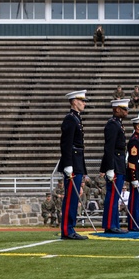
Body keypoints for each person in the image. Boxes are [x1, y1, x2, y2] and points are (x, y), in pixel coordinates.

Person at [58, 90, 88, 240]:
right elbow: (66, 144)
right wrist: (68, 164)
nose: (84, 103)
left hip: (77, 163)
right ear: (74, 102)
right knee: (70, 197)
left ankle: (70, 227)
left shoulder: (76, 119)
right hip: (72, 163)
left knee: (74, 198)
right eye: (82, 101)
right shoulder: (70, 119)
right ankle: (67, 229)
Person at [99, 97, 129, 234]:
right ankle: (110, 224)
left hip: (119, 163)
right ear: (116, 109)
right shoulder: (112, 124)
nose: (126, 111)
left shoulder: (118, 124)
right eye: (124, 109)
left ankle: (114, 223)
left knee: (115, 197)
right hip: (115, 164)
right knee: (112, 196)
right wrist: (109, 168)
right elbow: (109, 148)